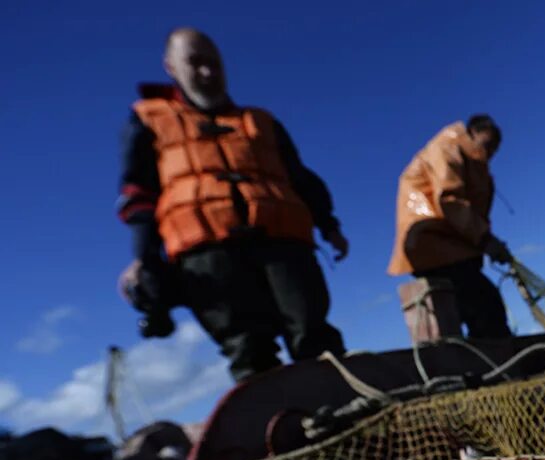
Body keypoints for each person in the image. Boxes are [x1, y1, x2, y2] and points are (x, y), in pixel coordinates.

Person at [117, 27, 350, 381]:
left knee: (313, 334)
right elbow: (139, 195)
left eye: (214, 63)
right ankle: (282, 430)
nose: (207, 73)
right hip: (207, 256)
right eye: (195, 63)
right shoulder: (148, 119)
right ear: (171, 66)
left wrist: (329, 224)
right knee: (248, 350)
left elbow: (299, 176)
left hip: (284, 243)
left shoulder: (261, 122)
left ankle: (349, 414)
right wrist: (143, 259)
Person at [389, 115, 514, 339]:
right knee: (485, 305)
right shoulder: (447, 148)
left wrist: (483, 240)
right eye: (487, 145)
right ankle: (495, 365)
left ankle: (483, 362)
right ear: (472, 133)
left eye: (494, 149)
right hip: (431, 243)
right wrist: (485, 239)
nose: (489, 154)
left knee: (474, 306)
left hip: (450, 247)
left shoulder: (475, 164)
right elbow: (449, 200)